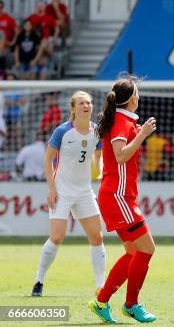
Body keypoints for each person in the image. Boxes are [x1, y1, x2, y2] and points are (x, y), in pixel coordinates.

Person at [88, 77, 157, 323]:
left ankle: (102, 300)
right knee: (147, 248)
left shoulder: (124, 120)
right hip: (118, 196)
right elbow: (120, 156)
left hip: (119, 195)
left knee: (132, 252)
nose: (139, 97)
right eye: (137, 93)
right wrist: (143, 134)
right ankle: (131, 304)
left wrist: (140, 132)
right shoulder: (121, 121)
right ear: (132, 99)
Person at [31, 92, 105, 298]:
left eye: (89, 103)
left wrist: (100, 170)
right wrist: (51, 188)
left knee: (97, 237)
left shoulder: (96, 131)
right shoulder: (62, 131)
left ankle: (101, 286)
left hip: (84, 192)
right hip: (62, 191)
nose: (86, 106)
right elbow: (48, 160)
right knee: (57, 236)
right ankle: (39, 280)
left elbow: (98, 156)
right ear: (73, 108)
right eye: (82, 103)